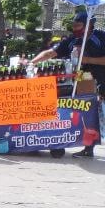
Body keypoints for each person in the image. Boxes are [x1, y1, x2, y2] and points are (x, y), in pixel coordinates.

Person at [32, 11, 105, 158]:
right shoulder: (72, 40)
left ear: (88, 25)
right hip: (82, 84)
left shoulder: (101, 37)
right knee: (87, 114)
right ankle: (88, 148)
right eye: (74, 25)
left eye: (78, 25)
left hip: (102, 82)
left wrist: (86, 60)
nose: (75, 28)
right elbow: (50, 53)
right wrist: (32, 62)